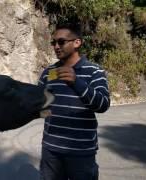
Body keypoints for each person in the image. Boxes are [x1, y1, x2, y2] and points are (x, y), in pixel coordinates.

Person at [38, 23, 110, 180]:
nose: (56, 46)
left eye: (61, 42)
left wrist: (77, 82)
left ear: (77, 42)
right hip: (51, 150)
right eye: (54, 42)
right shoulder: (50, 73)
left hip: (82, 151)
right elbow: (40, 104)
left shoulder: (94, 71)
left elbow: (103, 104)